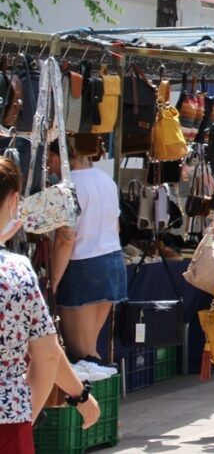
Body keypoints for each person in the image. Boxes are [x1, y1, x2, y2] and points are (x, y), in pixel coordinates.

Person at [0, 158, 100, 451]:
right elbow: (46, 356)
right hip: (8, 419)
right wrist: (22, 412)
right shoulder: (16, 272)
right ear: (14, 200)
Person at [48, 137, 126, 364]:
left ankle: (93, 387)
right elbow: (116, 226)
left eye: (49, 160)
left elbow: (66, 239)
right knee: (89, 350)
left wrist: (53, 281)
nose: (49, 167)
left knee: (81, 354)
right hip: (112, 262)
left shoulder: (67, 187)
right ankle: (102, 385)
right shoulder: (105, 179)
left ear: (55, 157)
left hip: (83, 266)